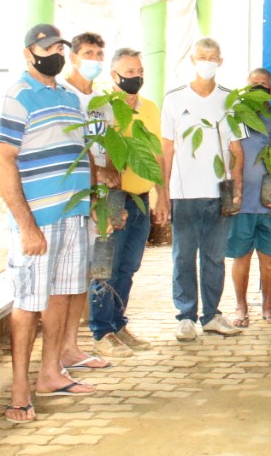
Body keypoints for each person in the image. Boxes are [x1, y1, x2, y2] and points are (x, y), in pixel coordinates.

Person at [0, 24, 97, 424]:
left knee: (61, 295)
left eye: (59, 46)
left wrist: (92, 201)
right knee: (28, 303)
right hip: (39, 219)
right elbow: (2, 162)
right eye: (46, 47)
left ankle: (50, 373)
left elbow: (81, 150)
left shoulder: (69, 97)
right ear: (28, 53)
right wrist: (27, 226)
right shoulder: (17, 96)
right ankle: (20, 390)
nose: (53, 52)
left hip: (72, 215)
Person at [160, 38, 245, 341]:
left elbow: (236, 148)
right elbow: (166, 149)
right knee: (183, 256)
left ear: (220, 62)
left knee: (214, 256)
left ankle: (211, 315)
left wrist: (237, 186)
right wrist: (162, 193)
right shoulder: (174, 99)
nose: (207, 62)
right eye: (201, 57)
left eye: (212, 57)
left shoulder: (230, 100)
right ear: (192, 61)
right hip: (183, 193)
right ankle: (185, 316)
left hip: (218, 191)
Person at [90, 48, 167, 357]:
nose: (136, 76)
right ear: (114, 75)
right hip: (113, 195)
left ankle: (118, 324)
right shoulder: (102, 108)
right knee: (105, 265)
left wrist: (163, 195)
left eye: (139, 71)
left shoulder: (149, 108)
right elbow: (94, 154)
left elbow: (156, 154)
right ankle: (101, 331)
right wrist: (99, 199)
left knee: (128, 266)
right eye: (130, 71)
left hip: (140, 196)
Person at [60, 33, 119, 369]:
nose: (94, 59)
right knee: (67, 277)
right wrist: (96, 180)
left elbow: (107, 144)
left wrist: (110, 174)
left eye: (99, 53)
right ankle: (60, 350)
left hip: (100, 197)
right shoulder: (63, 97)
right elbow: (75, 153)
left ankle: (72, 346)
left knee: (85, 273)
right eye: (88, 53)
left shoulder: (101, 101)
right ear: (73, 57)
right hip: (76, 194)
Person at [227, 68, 271, 328]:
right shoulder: (233, 117)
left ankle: (268, 307)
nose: (258, 88)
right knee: (241, 256)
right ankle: (241, 307)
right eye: (253, 84)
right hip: (241, 202)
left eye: (263, 84)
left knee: (269, 260)